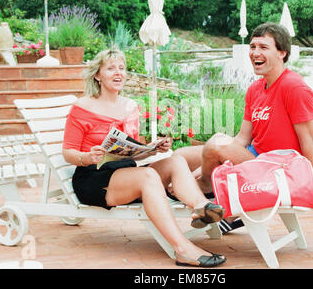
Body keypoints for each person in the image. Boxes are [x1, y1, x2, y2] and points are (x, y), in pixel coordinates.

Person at [62, 47, 226, 267]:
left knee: (176, 160)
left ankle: (202, 207)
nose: (118, 73)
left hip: (127, 172)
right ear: (98, 75)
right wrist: (86, 156)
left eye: (122, 68)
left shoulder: (130, 107)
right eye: (111, 68)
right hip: (94, 177)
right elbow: (68, 152)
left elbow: (131, 150)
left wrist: (153, 148)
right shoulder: (82, 106)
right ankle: (183, 249)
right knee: (148, 175)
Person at [174, 22, 313, 234]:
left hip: (278, 169)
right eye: (252, 47)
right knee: (180, 156)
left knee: (216, 143)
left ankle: (205, 189)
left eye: (263, 47)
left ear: (282, 52)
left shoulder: (294, 87)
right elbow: (243, 138)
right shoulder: (255, 89)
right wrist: (208, 159)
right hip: (254, 158)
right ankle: (205, 192)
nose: (255, 53)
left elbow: (308, 144)